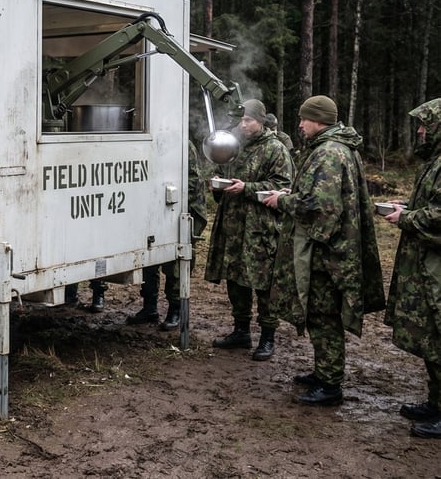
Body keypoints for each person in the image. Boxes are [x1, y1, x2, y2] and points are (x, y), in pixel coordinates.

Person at [264, 95, 385, 406]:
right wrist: (295, 192)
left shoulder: (329, 152)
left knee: (323, 315)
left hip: (326, 251)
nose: (301, 125)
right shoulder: (335, 148)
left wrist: (283, 201)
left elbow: (322, 205)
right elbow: (324, 194)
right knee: (320, 314)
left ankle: (330, 384)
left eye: (305, 119)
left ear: (318, 120)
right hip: (331, 247)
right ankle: (323, 372)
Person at [204, 99, 294, 360]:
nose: (242, 125)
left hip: (261, 229)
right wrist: (218, 186)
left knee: (264, 284)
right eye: (241, 120)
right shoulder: (234, 146)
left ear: (261, 121)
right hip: (233, 226)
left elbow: (284, 186)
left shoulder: (275, 149)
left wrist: (248, 188)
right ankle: (241, 331)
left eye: (248, 120)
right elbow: (223, 172)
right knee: (235, 279)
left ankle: (267, 338)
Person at [382, 98, 441, 438]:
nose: (419, 131)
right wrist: (408, 207)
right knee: (432, 339)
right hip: (427, 266)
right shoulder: (433, 163)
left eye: (425, 125)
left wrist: (407, 217)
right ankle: (436, 402)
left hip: (436, 267)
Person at [127, 140, 208, 329]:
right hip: (155, 209)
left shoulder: (182, 144)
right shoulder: (149, 142)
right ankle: (149, 308)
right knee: (149, 257)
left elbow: (192, 182)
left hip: (182, 209)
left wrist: (160, 192)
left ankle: (176, 311)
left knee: (175, 263)